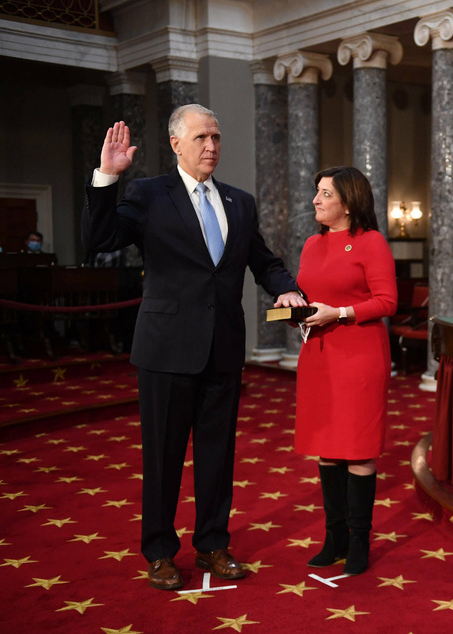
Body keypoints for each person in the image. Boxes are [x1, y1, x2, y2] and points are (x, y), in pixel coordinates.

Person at [82, 104, 307, 591]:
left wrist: (286, 288)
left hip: (223, 350)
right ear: (176, 144)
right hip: (165, 351)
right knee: (162, 458)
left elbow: (264, 261)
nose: (212, 146)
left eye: (217, 137)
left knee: (217, 455)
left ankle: (212, 543)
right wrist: (106, 176)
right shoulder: (148, 194)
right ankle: (161, 551)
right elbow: (98, 239)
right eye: (202, 137)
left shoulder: (239, 202)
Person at [293, 166, 397, 576]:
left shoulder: (371, 243)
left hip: (359, 357)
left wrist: (340, 313)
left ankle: (358, 541)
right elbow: (309, 297)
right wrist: (296, 313)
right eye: (316, 192)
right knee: (327, 449)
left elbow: (387, 301)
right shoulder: (309, 245)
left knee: (357, 449)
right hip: (317, 355)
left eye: (324, 194)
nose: (316, 200)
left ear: (348, 202)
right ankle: (333, 537)